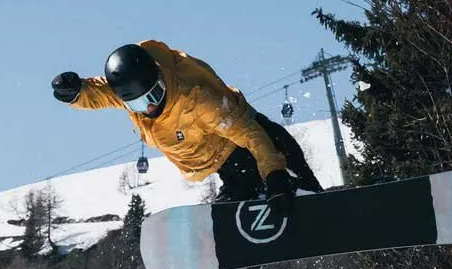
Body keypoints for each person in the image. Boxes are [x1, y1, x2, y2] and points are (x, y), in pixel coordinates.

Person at [51, 42, 324, 218]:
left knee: (280, 158)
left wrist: (275, 175)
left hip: (245, 139)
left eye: (152, 96)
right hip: (221, 163)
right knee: (236, 194)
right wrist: (75, 92)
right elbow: (99, 92)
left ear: (160, 80)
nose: (149, 108)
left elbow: (250, 135)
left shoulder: (196, 100)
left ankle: (306, 191)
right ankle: (253, 227)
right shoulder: (133, 90)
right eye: (136, 104)